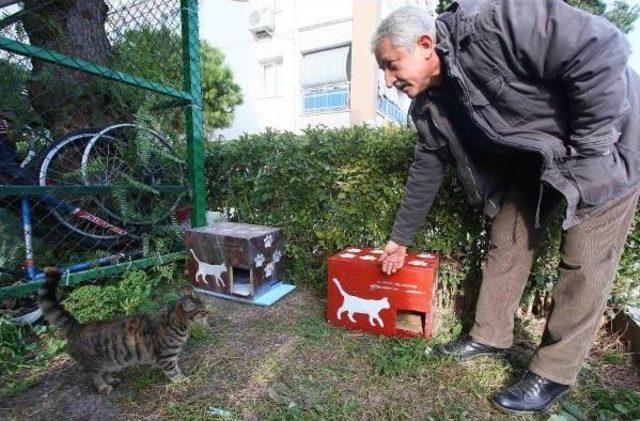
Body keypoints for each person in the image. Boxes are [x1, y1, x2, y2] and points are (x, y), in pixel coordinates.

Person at [373, 0, 640, 414]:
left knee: (585, 260)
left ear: (426, 44)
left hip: (608, 141)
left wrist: (591, 151)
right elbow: (426, 170)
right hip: (538, 157)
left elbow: (602, 45)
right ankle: (490, 335)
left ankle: (553, 372)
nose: (389, 80)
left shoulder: (496, 22)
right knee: (508, 236)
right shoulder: (429, 107)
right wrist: (399, 240)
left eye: (392, 65)